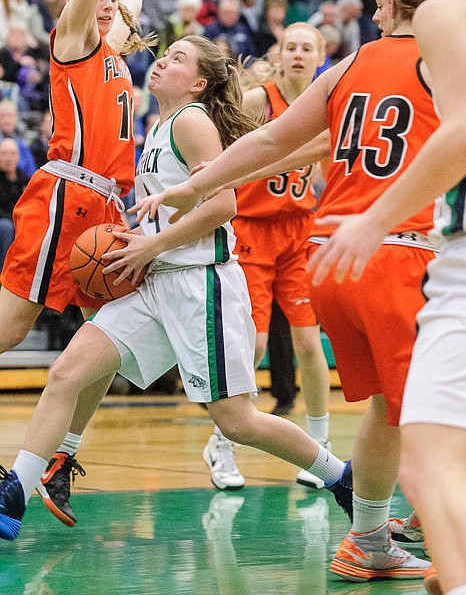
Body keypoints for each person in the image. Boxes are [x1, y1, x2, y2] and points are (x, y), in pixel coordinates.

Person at [132, 0, 465, 581]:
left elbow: (277, 140)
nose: (370, 1)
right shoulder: (447, 63)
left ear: (390, 2)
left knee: (387, 409)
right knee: (430, 406)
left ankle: (373, 535)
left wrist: (192, 185)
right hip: (393, 249)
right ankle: (433, 526)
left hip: (326, 253)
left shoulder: (352, 64)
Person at [0, 36, 351, 540]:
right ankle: (15, 494)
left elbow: (222, 204)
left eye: (178, 58)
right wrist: (137, 241)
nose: (163, 59)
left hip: (199, 284)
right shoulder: (159, 127)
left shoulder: (190, 121)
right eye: (165, 54)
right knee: (67, 372)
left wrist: (151, 244)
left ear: (199, 83)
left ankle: (341, 477)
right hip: (157, 282)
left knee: (237, 421)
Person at [306, 0, 466, 595]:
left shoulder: (451, 13)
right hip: (446, 251)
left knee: (429, 463)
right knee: (436, 444)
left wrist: (372, 217)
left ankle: (437, 564)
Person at [0, 0, 165, 526]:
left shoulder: (116, 52)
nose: (106, 3)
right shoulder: (73, 41)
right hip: (64, 199)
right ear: (73, 0)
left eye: (110, 2)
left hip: (107, 210)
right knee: (10, 329)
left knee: (110, 338)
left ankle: (58, 458)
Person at [201, 24, 333, 492]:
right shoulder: (260, 100)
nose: (298, 54)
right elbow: (220, 144)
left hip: (299, 230)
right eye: (290, 46)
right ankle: (222, 442)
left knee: (310, 343)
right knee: (253, 345)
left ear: (321, 54)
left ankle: (321, 446)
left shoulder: (324, 100)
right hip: (253, 230)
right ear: (280, 53)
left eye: (307, 47)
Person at [0, 138, 29, 272]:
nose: (8, 158)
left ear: (18, 156)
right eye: (4, 153)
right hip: (5, 222)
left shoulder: (26, 180)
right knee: (7, 228)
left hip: (21, 222)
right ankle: (4, 273)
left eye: (12, 154)